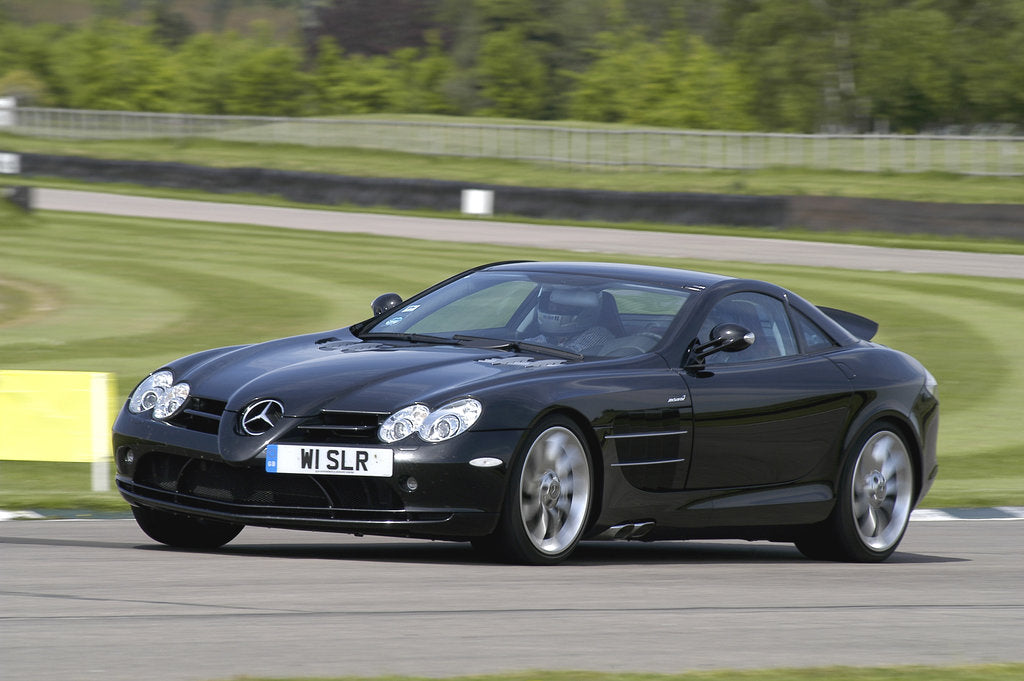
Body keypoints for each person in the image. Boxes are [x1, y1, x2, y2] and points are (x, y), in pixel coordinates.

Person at [526, 287, 616, 355]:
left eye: (564, 306)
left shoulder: (598, 334)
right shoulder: (547, 337)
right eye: (551, 305)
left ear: (585, 309)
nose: (554, 308)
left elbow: (568, 356)